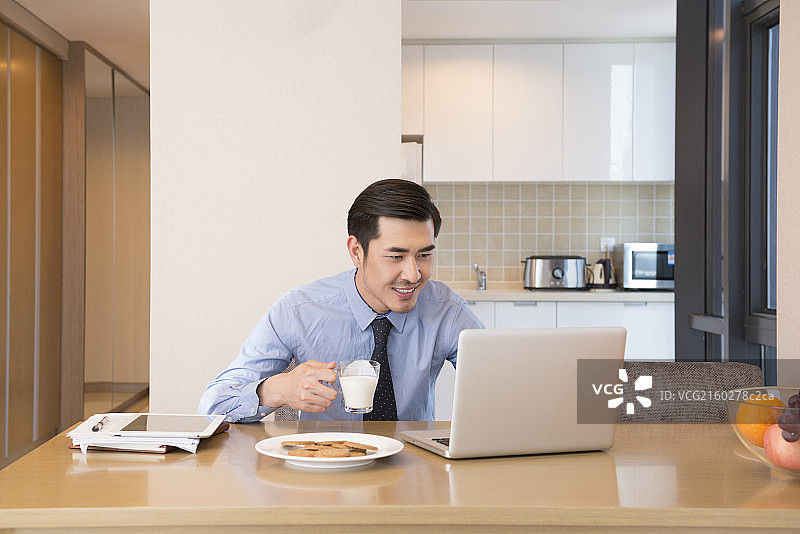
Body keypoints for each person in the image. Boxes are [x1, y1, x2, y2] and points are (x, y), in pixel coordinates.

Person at [198, 178, 484, 422]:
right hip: (325, 463)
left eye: (424, 255)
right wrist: (276, 389)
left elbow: (500, 385)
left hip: (415, 463)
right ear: (356, 251)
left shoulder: (445, 309)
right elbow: (213, 407)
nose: (413, 274)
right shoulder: (299, 311)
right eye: (396, 256)